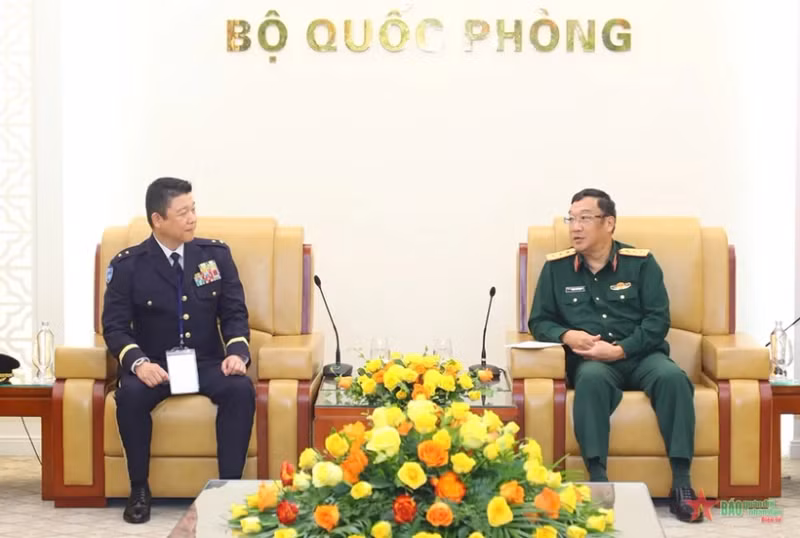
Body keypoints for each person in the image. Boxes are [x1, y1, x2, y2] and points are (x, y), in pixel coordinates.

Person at [528, 188, 701, 523]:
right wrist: (567, 335)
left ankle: (682, 482)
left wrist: (621, 349)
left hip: (641, 354)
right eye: (571, 219)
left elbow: (658, 320)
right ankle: (598, 482)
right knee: (590, 381)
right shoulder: (556, 269)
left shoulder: (641, 264)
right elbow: (539, 321)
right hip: (592, 360)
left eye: (585, 219)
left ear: (609, 223)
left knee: (673, 378)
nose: (575, 227)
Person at [102, 177, 255, 524]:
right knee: (130, 397)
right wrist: (138, 364)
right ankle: (139, 488)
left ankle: (228, 492)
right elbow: (114, 326)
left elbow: (233, 312)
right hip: (155, 363)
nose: (192, 218)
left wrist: (237, 353)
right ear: (158, 219)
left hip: (205, 361)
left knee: (240, 390)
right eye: (183, 212)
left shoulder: (214, 256)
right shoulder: (129, 265)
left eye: (194, 209)